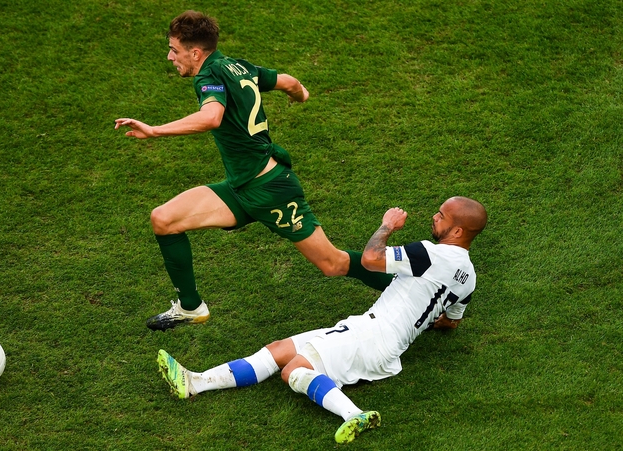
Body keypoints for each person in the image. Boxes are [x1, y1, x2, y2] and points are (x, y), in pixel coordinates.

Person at [156, 197, 488, 444]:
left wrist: (387, 225)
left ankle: (354, 415)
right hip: (377, 335)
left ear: (457, 229)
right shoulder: (469, 278)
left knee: (293, 370)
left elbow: (372, 259)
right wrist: (423, 318)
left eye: (441, 216)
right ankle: (195, 382)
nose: (435, 217)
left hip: (373, 335)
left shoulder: (432, 253)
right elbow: (451, 322)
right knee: (278, 350)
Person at [115, 10, 367, 330]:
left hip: (271, 189)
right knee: (163, 219)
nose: (169, 56)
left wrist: (154, 131)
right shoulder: (239, 66)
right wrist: (299, 94)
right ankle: (191, 308)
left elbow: (211, 118)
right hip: (240, 188)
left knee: (333, 264)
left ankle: (422, 289)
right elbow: (288, 81)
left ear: (195, 53)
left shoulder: (209, 76)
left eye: (174, 50)